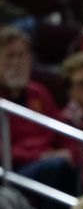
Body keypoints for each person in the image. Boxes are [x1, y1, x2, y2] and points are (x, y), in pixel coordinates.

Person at [0, 27, 77, 199]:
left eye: (21, 56)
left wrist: (71, 152)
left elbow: (62, 132)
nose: (16, 62)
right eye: (10, 56)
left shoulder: (39, 93)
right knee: (57, 167)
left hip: (49, 162)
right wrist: (41, 156)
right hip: (12, 171)